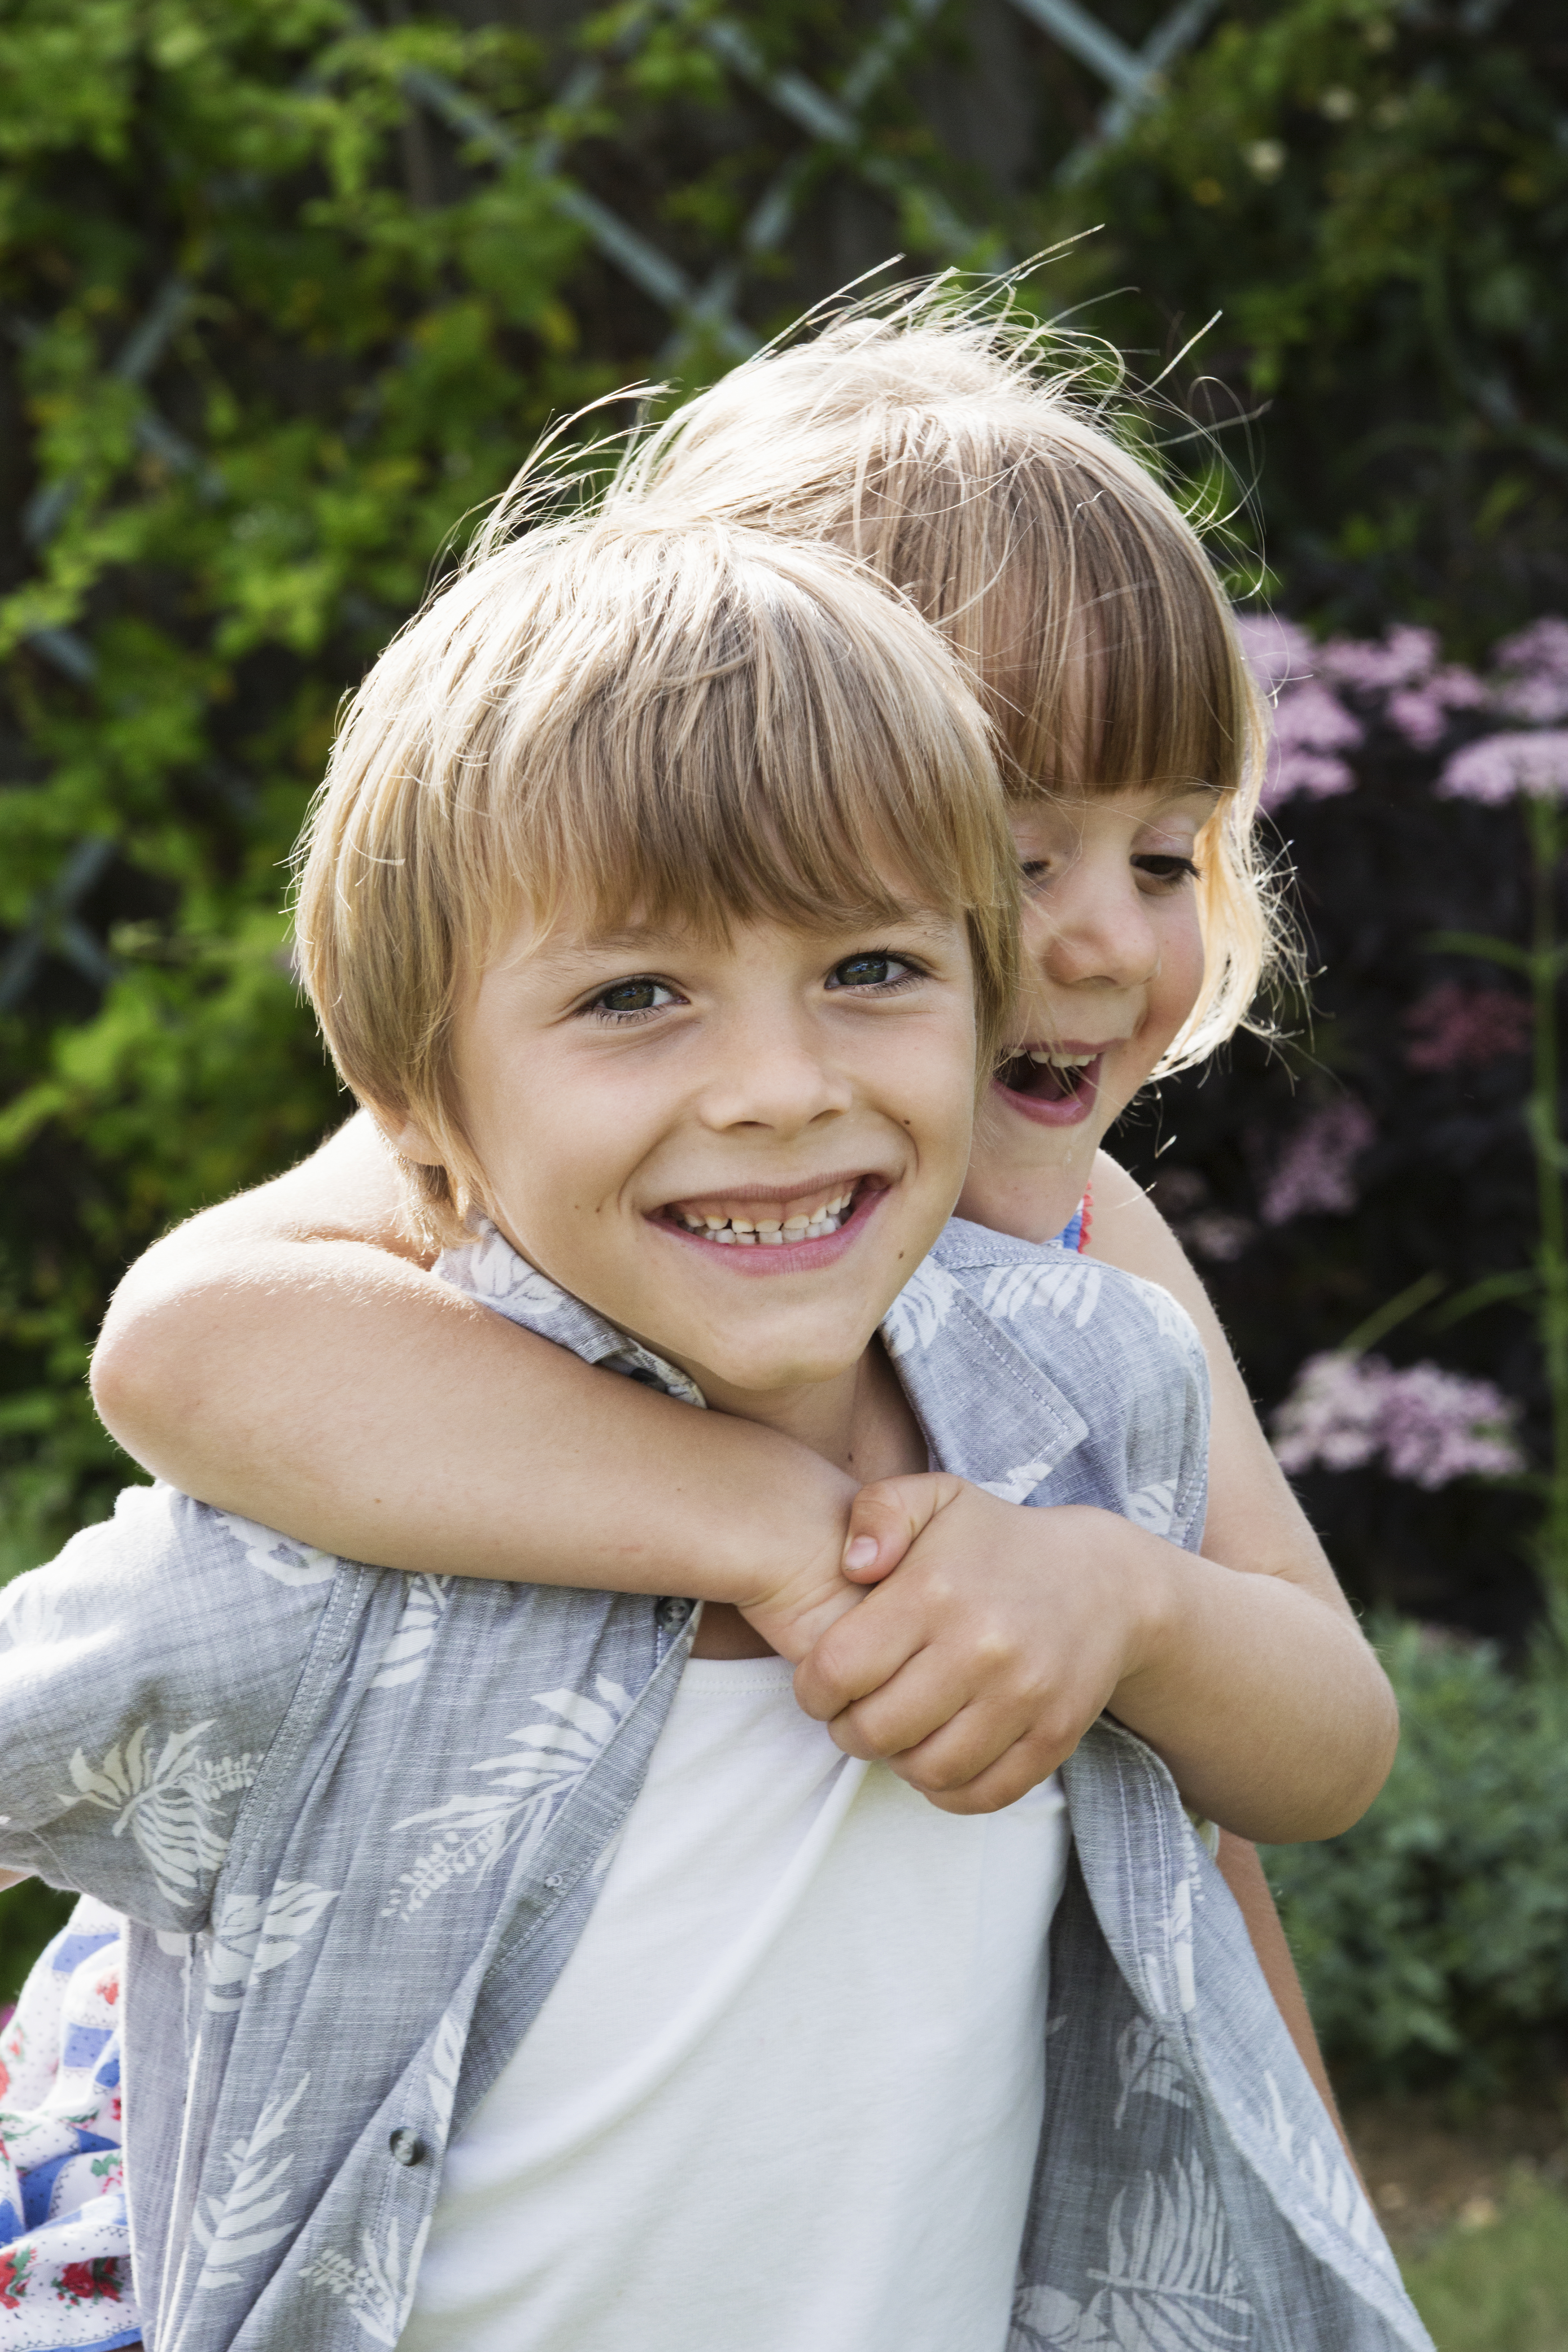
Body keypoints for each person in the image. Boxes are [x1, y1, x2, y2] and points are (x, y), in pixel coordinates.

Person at [0, 511, 1423, 2352]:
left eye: (872, 969)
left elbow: (1309, 1763)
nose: (776, 1086)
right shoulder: (315, 1574)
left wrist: (1125, 1604)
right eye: (634, 996)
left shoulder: (1085, 1389)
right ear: (415, 1097)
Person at [91, 287, 1368, 2085]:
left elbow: (1304, 1756)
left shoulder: (1093, 1248)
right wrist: (771, 1517)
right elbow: (187, 1349)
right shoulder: (532, 1174)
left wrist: (1126, 1606)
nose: (1102, 937)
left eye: (1164, 855)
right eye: (1017, 860)